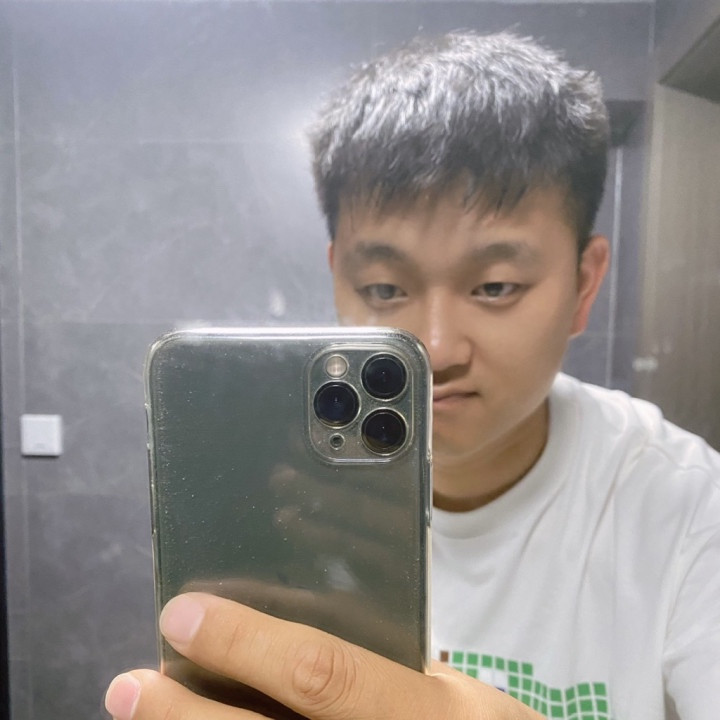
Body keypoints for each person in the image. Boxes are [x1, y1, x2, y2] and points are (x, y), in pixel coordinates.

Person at [104, 32, 720, 720]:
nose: (435, 348)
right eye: (384, 288)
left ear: (584, 283)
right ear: (337, 276)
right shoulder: (266, 488)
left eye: (495, 286)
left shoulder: (687, 505)